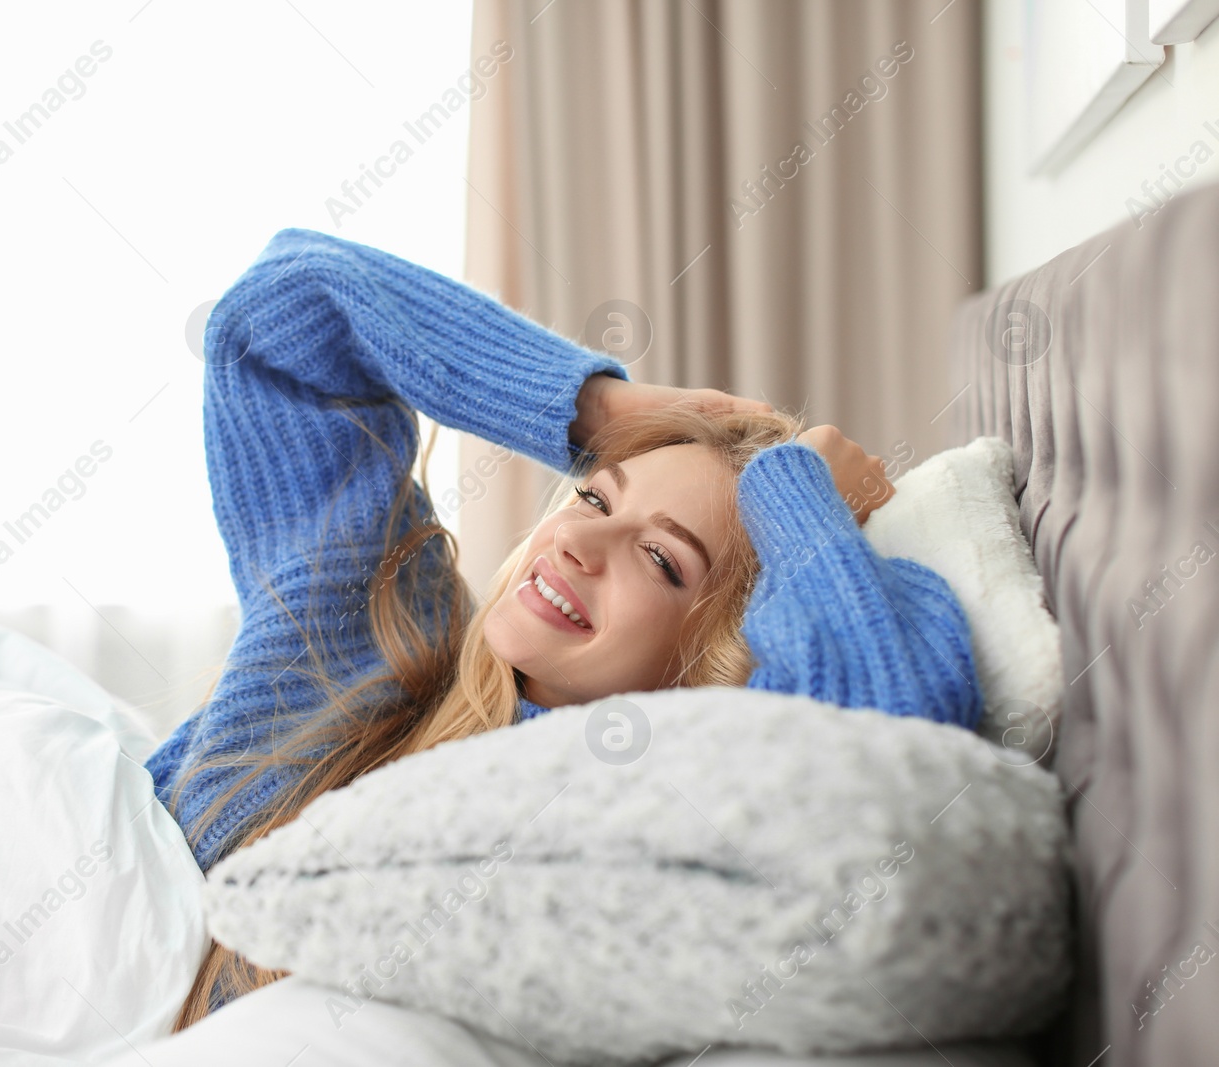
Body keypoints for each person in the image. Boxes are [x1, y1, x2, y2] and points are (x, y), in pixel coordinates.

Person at [145, 228, 982, 1028]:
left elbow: (882, 786)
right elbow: (281, 316)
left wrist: (801, 501)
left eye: (660, 558)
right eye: (593, 495)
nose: (577, 541)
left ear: (716, 657)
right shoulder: (377, 639)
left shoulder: (648, 818)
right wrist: (593, 407)